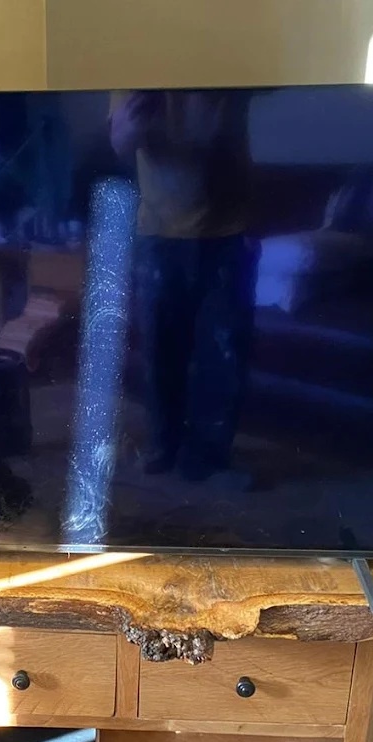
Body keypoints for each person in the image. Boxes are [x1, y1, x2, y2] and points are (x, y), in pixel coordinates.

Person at [109, 90, 254, 481]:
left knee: (223, 354)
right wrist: (131, 123)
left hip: (228, 232)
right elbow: (120, 144)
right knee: (160, 350)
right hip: (159, 233)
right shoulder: (136, 67)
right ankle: (163, 445)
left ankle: (210, 458)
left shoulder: (228, 57)